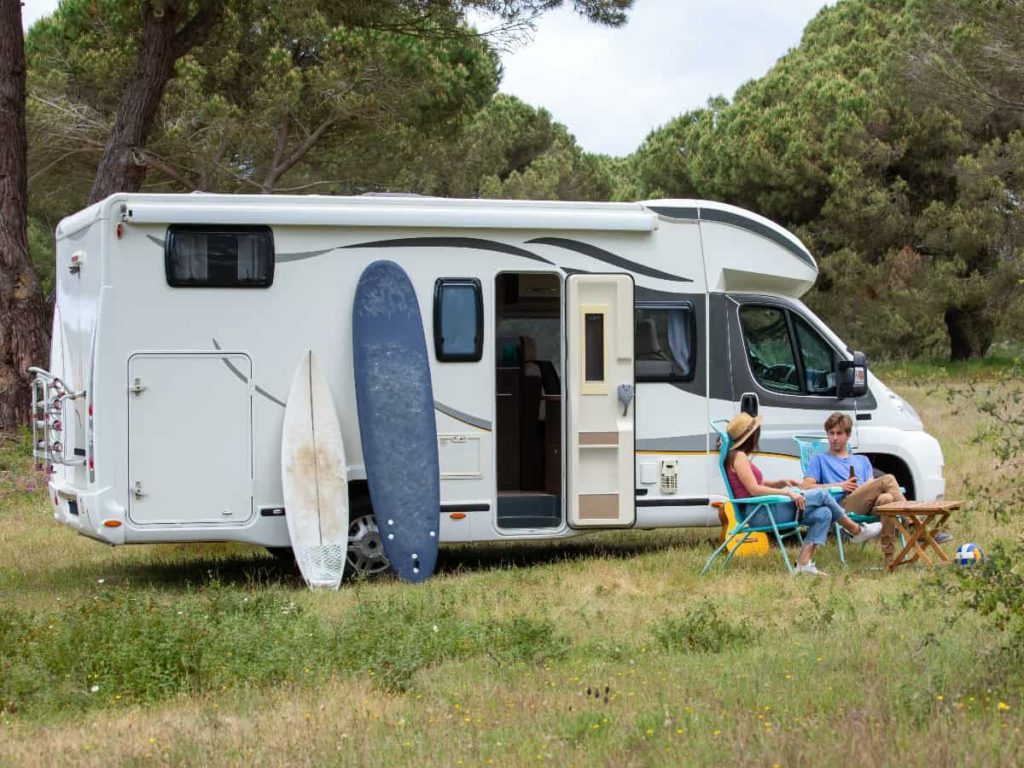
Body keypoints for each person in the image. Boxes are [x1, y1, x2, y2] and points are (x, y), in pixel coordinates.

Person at [723, 413, 881, 576]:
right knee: (821, 495)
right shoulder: (740, 457)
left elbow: (755, 485)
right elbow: (754, 490)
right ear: (751, 436)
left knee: (824, 513)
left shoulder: (737, 456)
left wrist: (781, 482)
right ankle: (855, 530)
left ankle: (804, 563)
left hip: (763, 508)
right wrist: (787, 492)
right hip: (760, 512)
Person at [801, 412, 919, 568]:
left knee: (887, 500)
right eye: (831, 433)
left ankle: (889, 560)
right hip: (844, 505)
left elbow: (873, 485)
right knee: (888, 479)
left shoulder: (862, 460)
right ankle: (915, 525)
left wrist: (865, 488)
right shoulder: (820, 459)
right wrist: (839, 485)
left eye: (839, 433)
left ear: (848, 435)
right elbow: (806, 487)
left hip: (868, 503)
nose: (834, 438)